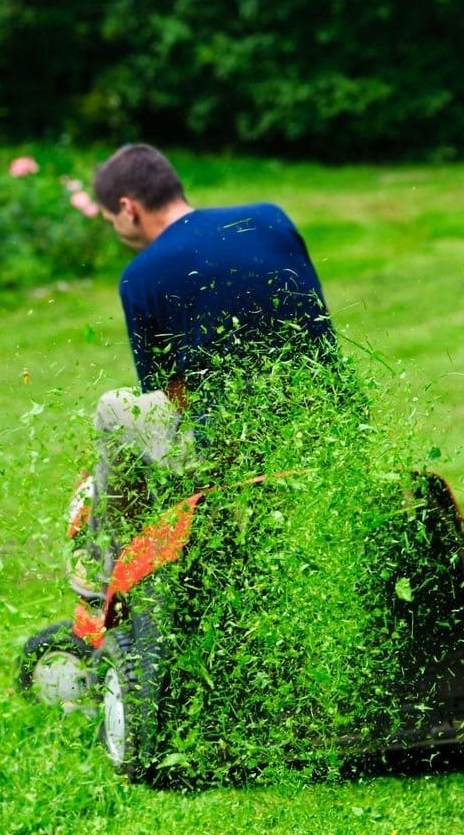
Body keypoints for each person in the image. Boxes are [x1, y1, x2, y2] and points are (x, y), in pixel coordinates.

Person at [66, 143, 335, 600]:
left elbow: (173, 398)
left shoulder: (142, 275)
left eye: (112, 222)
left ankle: (107, 572)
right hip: (327, 419)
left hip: (238, 447)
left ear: (128, 209)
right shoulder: (270, 218)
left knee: (116, 410)